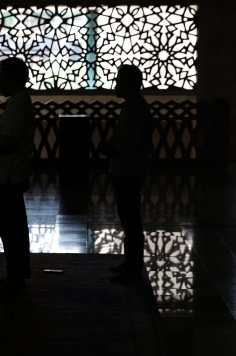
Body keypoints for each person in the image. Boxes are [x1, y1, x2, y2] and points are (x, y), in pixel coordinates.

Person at [0, 57, 36, 294]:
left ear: (13, 78)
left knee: (11, 230)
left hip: (8, 176)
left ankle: (15, 277)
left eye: (2, 76)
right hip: (12, 174)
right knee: (15, 228)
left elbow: (10, 143)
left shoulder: (16, 107)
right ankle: (17, 275)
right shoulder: (19, 103)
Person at [100, 64, 154, 283]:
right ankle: (129, 262)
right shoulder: (129, 108)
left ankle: (133, 269)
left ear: (131, 84)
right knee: (128, 219)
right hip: (123, 171)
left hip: (129, 172)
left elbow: (131, 147)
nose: (116, 85)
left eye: (120, 81)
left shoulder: (138, 111)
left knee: (131, 220)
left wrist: (110, 149)